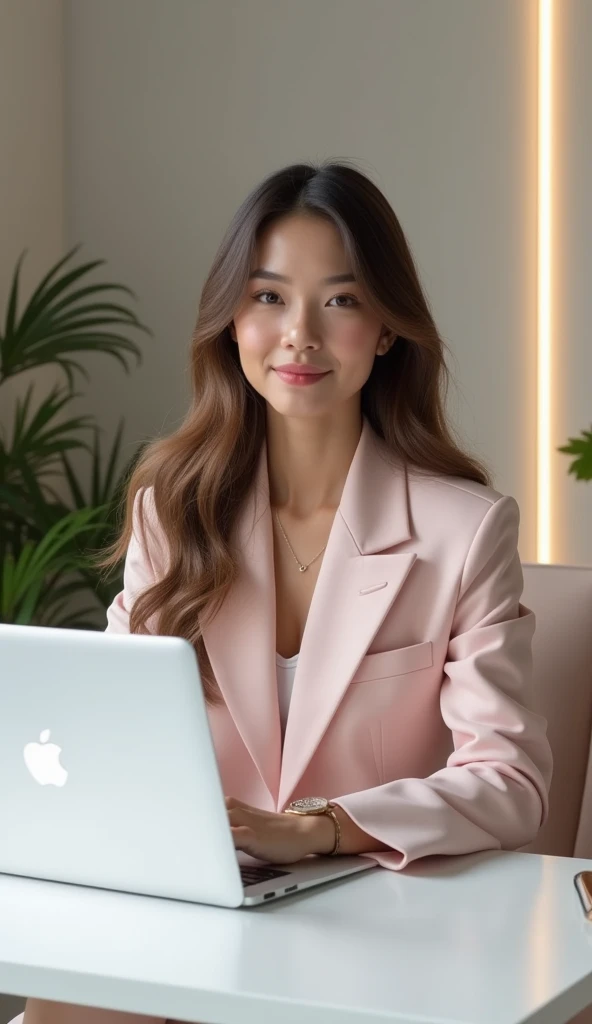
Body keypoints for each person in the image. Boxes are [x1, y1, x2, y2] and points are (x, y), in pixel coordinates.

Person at [23, 160, 553, 1024]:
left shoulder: (466, 532)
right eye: (268, 297)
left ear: (386, 329)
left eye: (340, 301)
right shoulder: (172, 516)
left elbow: (511, 781)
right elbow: (113, 746)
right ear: (232, 321)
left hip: (382, 941)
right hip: (191, 930)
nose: (298, 334)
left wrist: (323, 825)